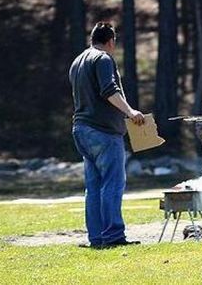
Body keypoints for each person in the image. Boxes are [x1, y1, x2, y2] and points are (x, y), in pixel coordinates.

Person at [69, 22, 145, 249]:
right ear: (111, 41)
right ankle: (113, 236)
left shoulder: (77, 61)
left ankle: (97, 238)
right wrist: (130, 112)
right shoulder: (103, 59)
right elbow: (109, 90)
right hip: (103, 131)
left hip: (81, 129)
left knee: (93, 187)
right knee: (113, 183)